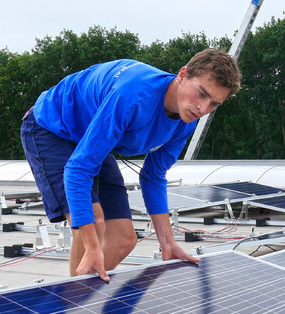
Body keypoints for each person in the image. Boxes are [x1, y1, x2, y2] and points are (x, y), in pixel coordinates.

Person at [20, 48, 241, 281]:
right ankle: (72, 309)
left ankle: (81, 296)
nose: (203, 109)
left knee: (123, 239)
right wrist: (92, 248)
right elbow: (78, 169)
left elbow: (153, 177)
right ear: (182, 74)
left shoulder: (185, 123)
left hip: (91, 135)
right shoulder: (132, 97)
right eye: (201, 94)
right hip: (51, 128)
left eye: (214, 104)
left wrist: (168, 242)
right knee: (93, 225)